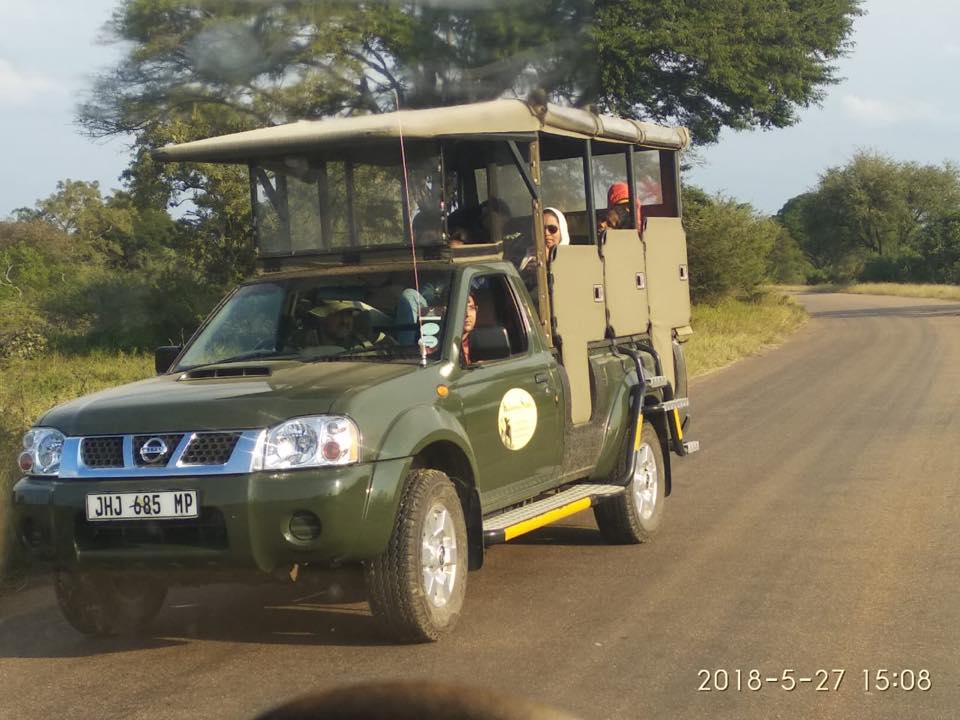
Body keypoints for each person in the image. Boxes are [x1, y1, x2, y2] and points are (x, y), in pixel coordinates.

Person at [461, 293, 477, 364]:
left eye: (471, 308)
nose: (467, 314)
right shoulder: (438, 349)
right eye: (462, 309)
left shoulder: (480, 343)